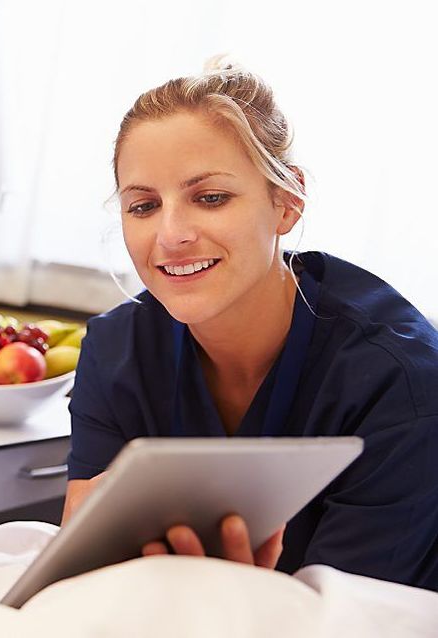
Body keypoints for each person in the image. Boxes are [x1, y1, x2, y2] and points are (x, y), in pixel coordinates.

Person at [62, 63, 438, 590]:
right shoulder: (116, 351)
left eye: (210, 198)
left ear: (286, 202)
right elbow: (83, 577)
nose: (170, 236)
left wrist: (232, 603)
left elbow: (356, 618)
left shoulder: (399, 379)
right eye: (143, 206)